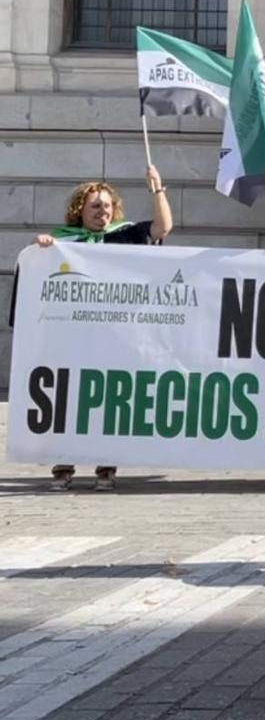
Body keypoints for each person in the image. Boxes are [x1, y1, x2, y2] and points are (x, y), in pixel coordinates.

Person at [34, 166, 173, 492]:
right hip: (72, 338)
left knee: (108, 399)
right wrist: (42, 245)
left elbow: (163, 227)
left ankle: (106, 467)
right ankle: (64, 465)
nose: (103, 212)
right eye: (95, 206)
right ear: (79, 210)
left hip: (115, 338)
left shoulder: (124, 235)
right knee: (69, 399)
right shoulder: (64, 241)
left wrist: (158, 191)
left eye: (107, 206)